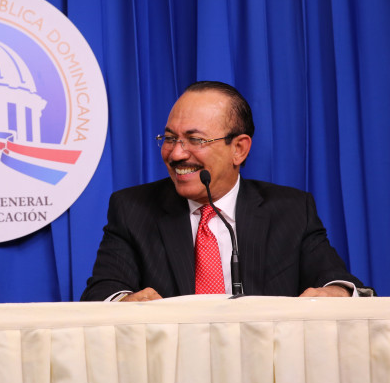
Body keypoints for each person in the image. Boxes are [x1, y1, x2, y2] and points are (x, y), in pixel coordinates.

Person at [81, 81, 371, 302]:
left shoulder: (291, 210)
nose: (176, 154)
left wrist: (337, 293)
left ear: (239, 149)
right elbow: (103, 291)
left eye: (195, 140)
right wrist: (125, 302)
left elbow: (339, 283)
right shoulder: (133, 209)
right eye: (169, 138)